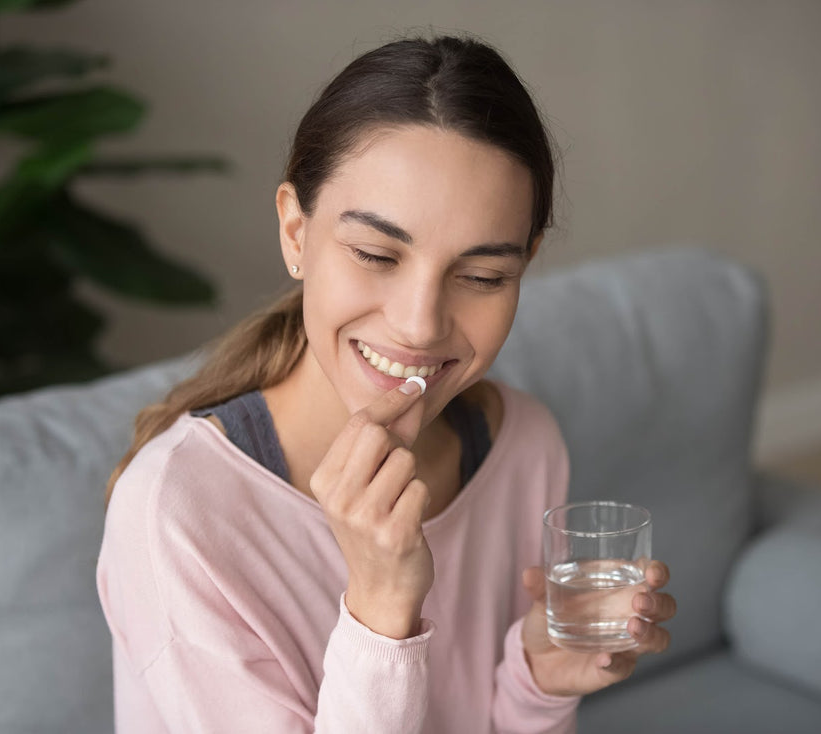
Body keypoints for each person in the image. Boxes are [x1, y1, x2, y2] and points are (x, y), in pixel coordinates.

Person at [97, 34, 676, 733]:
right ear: (294, 231)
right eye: (376, 254)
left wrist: (539, 683)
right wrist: (379, 607)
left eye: (483, 277)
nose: (420, 325)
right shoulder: (178, 511)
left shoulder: (524, 447)